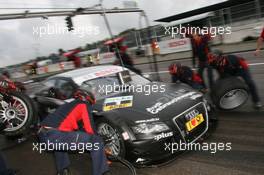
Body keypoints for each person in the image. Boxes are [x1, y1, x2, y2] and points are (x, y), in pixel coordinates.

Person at [38, 89, 110, 175]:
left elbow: (75, 130)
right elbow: (90, 129)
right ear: (88, 99)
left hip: (43, 135)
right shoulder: (83, 104)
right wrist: (101, 142)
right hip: (55, 134)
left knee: (61, 146)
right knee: (96, 141)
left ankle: (63, 171)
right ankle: (102, 172)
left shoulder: (69, 106)